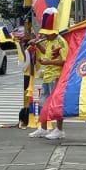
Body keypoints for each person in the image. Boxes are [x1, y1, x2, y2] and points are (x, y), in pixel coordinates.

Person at [29, 8, 69, 141]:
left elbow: (65, 61)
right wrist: (36, 46)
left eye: (48, 33)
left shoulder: (61, 42)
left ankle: (59, 130)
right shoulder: (49, 41)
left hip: (56, 77)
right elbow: (46, 52)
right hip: (47, 76)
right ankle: (43, 128)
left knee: (56, 104)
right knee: (42, 102)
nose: (45, 35)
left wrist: (48, 62)